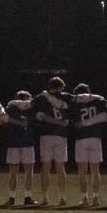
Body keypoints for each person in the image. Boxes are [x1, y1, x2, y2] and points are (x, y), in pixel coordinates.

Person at [32, 77, 72, 206]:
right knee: (60, 167)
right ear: (60, 87)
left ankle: (45, 197)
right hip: (60, 135)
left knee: (46, 167)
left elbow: (38, 115)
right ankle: (62, 196)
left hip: (46, 134)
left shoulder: (41, 98)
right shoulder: (65, 97)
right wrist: (60, 122)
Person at [69, 83, 107, 207]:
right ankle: (96, 197)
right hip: (95, 138)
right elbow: (106, 115)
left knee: (82, 171)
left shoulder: (76, 104)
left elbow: (74, 122)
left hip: (82, 139)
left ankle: (84, 198)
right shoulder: (97, 101)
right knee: (95, 171)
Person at [3, 90, 37, 206]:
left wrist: (17, 122)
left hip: (15, 142)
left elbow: (5, 118)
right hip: (24, 142)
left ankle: (13, 198)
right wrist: (20, 123)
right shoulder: (29, 108)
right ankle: (25, 197)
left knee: (14, 172)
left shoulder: (12, 107)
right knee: (27, 171)